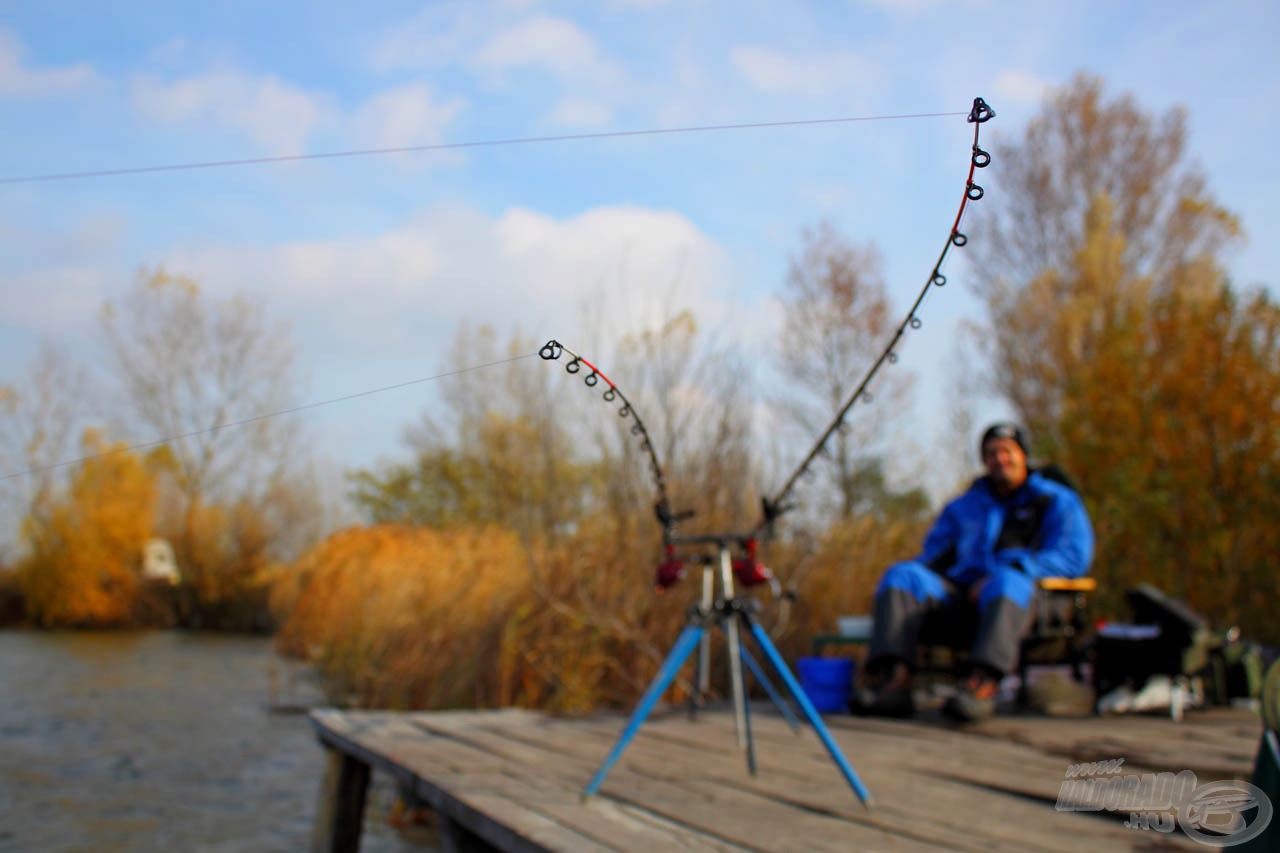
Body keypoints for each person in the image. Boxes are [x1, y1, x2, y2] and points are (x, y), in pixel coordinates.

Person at [850, 423, 1094, 722]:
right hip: (963, 597)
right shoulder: (963, 506)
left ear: (1024, 455)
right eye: (991, 453)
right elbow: (934, 556)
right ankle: (893, 682)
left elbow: (1072, 556)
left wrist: (1016, 569)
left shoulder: (1056, 500)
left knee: (1007, 581)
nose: (999, 459)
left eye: (1007, 451)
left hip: (1029, 599)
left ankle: (981, 685)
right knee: (902, 576)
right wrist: (933, 577)